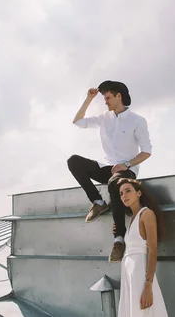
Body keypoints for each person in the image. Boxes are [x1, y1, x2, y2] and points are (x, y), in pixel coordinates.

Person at [67, 80, 153, 262]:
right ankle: (98, 202)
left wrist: (127, 165)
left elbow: (146, 151)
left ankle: (119, 240)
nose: (105, 101)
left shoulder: (137, 120)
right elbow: (78, 121)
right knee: (74, 161)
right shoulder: (104, 118)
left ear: (118, 96)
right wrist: (88, 99)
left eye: (107, 97)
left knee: (115, 181)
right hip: (106, 167)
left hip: (126, 171)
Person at [116, 178, 168, 316]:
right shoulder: (132, 218)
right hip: (129, 274)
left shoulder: (147, 214)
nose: (124, 195)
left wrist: (148, 286)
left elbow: (152, 250)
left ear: (138, 193)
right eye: (121, 193)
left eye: (128, 191)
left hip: (140, 274)